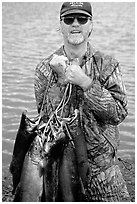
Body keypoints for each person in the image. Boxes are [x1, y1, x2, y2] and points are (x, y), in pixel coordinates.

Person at [34, 2, 130, 202]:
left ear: (91, 25)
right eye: (69, 19)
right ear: (60, 25)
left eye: (82, 19)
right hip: (58, 168)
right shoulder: (44, 68)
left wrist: (86, 83)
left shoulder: (108, 65)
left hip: (102, 171)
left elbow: (118, 114)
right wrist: (61, 80)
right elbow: (45, 121)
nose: (75, 24)